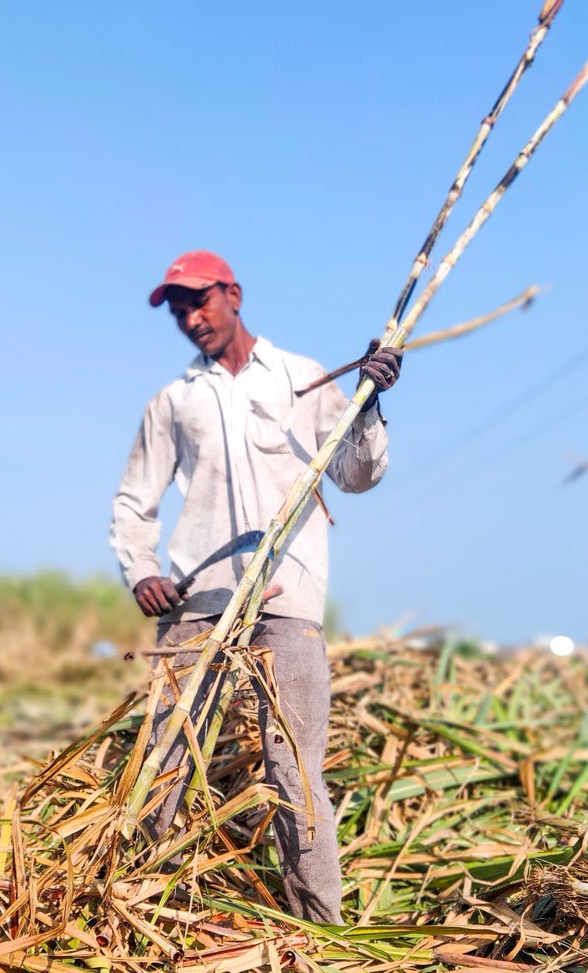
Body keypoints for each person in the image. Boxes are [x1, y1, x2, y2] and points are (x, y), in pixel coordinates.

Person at [109, 250, 400, 922]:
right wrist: (143, 570)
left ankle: (317, 930)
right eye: (178, 307)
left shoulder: (303, 378)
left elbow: (356, 476)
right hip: (198, 597)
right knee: (167, 757)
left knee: (294, 767)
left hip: (288, 599)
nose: (190, 316)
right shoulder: (175, 402)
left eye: (199, 299)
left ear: (233, 293)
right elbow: (134, 500)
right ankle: (135, 906)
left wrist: (370, 399)